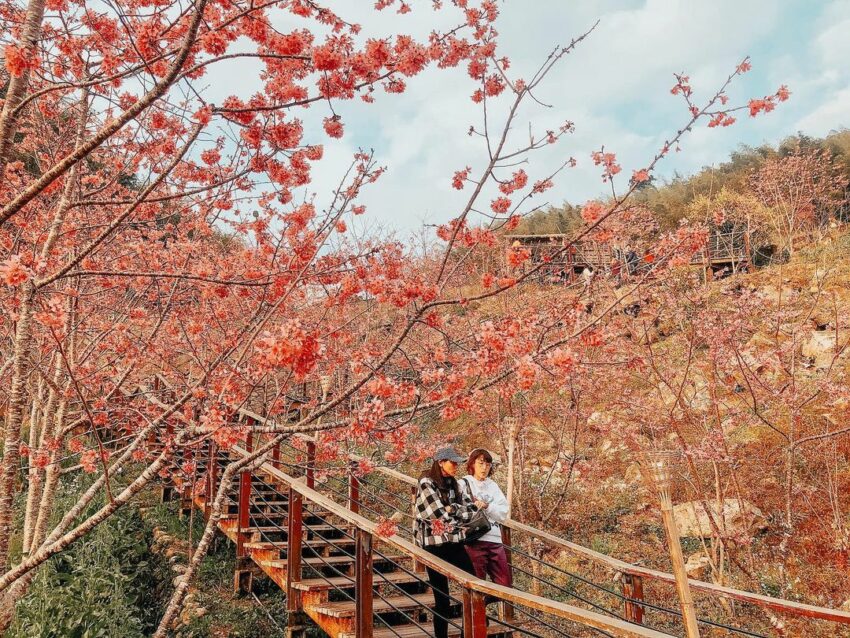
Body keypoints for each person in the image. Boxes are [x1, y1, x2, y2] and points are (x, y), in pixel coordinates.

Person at [414, 446, 484, 638]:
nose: (456, 466)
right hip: (433, 544)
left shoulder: (456, 484)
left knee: (473, 583)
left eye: (457, 462)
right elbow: (438, 516)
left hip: (453, 542)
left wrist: (452, 509)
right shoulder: (426, 482)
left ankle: (467, 633)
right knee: (442, 598)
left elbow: (472, 511)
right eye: (452, 462)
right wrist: (453, 514)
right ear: (440, 462)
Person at [460, 448, 513, 589]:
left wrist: (487, 506)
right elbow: (457, 508)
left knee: (505, 586)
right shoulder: (464, 483)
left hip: (495, 539)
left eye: (488, 465)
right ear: (472, 464)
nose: (484, 468)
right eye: (480, 463)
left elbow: (503, 513)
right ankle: (474, 609)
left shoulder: (493, 486)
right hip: (475, 539)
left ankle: (480, 604)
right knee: (477, 586)